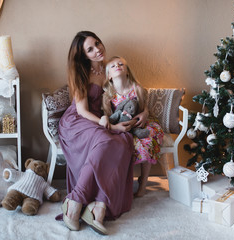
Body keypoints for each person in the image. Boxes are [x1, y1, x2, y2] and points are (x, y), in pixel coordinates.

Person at [57, 31, 136, 235]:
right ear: (83, 55)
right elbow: (82, 110)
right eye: (90, 49)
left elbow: (132, 90)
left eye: (97, 43)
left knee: (125, 140)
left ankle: (98, 206)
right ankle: (74, 201)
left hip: (102, 120)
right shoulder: (80, 72)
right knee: (105, 139)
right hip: (77, 121)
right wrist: (109, 125)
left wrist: (142, 113)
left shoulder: (111, 66)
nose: (97, 49)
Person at [102, 56, 164, 198]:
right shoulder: (108, 95)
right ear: (109, 76)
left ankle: (143, 183)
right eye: (112, 66)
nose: (117, 66)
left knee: (147, 139)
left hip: (140, 124)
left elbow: (144, 109)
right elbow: (109, 116)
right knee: (124, 144)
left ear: (127, 71)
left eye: (120, 64)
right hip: (121, 127)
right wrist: (117, 126)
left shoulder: (137, 89)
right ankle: (123, 182)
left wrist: (144, 115)